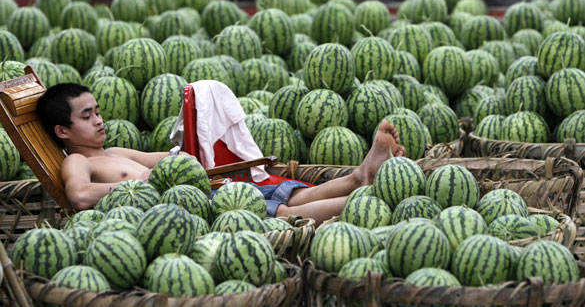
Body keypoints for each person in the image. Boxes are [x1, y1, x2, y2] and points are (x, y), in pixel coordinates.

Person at [37, 83, 406, 224]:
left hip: (205, 192)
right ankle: (369, 197)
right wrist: (150, 183)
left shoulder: (115, 150)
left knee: (287, 192)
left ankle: (359, 175)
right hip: (189, 212)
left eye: (98, 111)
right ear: (63, 131)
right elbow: (80, 196)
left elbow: (174, 160)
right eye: (87, 116)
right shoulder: (77, 161)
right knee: (284, 212)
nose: (99, 120)